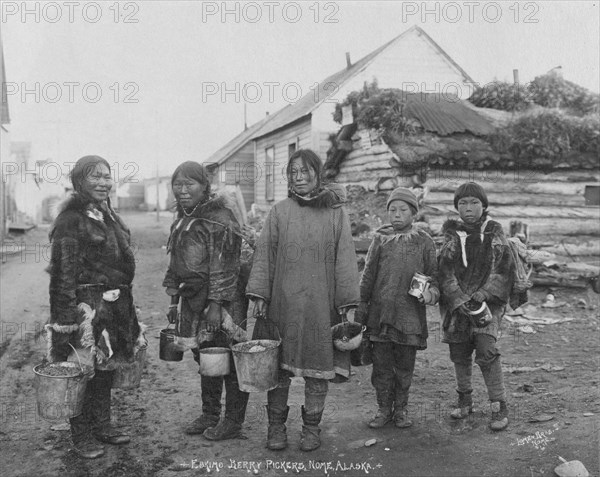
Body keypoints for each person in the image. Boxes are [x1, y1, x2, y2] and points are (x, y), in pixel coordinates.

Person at [246, 149, 360, 452]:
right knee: (278, 369)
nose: (299, 177)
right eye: (293, 172)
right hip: (282, 305)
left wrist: (347, 302)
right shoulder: (280, 212)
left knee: (317, 368)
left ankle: (311, 428)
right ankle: (276, 428)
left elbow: (346, 259)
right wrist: (259, 293)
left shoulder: (335, 213)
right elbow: (264, 255)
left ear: (317, 174)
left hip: (320, 306)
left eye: (305, 171)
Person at [46, 155, 145, 459]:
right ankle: (81, 434)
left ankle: (102, 424)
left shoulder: (107, 214)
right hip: (86, 310)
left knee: (105, 367)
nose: (104, 182)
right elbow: (63, 273)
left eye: (107, 176)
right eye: (95, 177)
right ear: (79, 181)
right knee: (81, 370)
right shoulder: (70, 220)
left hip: (113, 307)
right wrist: (67, 319)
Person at [163, 161, 249, 441]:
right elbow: (175, 263)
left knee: (229, 359)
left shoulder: (220, 218)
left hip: (221, 303)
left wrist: (216, 304)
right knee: (205, 357)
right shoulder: (183, 218)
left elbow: (226, 264)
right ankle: (210, 414)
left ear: (204, 186)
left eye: (190, 184)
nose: (183, 189)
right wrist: (174, 302)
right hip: (192, 300)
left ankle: (233, 422)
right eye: (178, 184)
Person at [356, 187, 439, 429]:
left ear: (413, 213)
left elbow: (434, 276)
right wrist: (362, 309)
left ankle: (401, 410)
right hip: (380, 316)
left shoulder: (424, 242)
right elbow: (368, 275)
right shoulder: (380, 239)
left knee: (404, 366)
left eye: (403, 210)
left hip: (409, 317)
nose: (397, 215)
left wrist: (429, 294)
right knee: (381, 366)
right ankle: (383, 408)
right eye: (392, 210)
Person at [438, 182, 513, 431]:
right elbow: (444, 271)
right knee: (459, 353)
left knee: (487, 350)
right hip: (458, 307)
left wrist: (484, 292)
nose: (468, 208)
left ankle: (498, 404)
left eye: (474, 203)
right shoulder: (451, 236)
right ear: (456, 207)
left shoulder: (494, 234)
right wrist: (457, 298)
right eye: (462, 203)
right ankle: (465, 400)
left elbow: (503, 270)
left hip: (486, 306)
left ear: (484, 205)